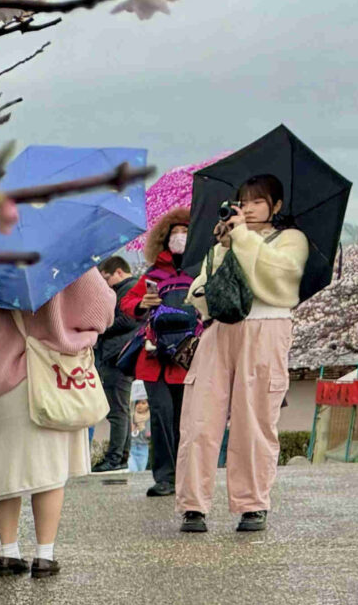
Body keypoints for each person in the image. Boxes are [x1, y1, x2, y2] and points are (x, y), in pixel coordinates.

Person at [176, 174, 307, 534]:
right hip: (221, 330)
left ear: (276, 206)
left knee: (254, 419)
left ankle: (252, 504)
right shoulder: (227, 239)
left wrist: (242, 238)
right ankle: (193, 505)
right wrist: (220, 248)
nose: (247, 208)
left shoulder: (292, 239)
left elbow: (276, 275)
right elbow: (200, 292)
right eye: (243, 201)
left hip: (267, 327)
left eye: (257, 201)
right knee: (199, 418)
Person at [0, 266, 117, 579]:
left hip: (3, 374)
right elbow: (102, 311)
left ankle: (8, 553)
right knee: (49, 470)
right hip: (51, 373)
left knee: (6, 464)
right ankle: (44, 555)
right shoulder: (67, 257)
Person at [126, 210, 196, 498]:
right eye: (175, 231)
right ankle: (164, 477)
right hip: (155, 358)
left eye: (186, 230)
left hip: (188, 356)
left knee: (184, 418)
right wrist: (144, 303)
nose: (180, 236)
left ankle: (185, 475)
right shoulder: (153, 273)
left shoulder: (201, 270)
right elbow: (128, 303)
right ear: (165, 237)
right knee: (161, 415)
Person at [92, 256, 137, 470]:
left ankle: (115, 457)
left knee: (117, 410)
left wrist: (101, 326)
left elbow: (129, 319)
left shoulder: (128, 289)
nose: (105, 284)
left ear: (119, 272)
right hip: (121, 354)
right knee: (121, 409)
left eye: (106, 278)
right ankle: (120, 456)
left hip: (116, 355)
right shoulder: (130, 288)